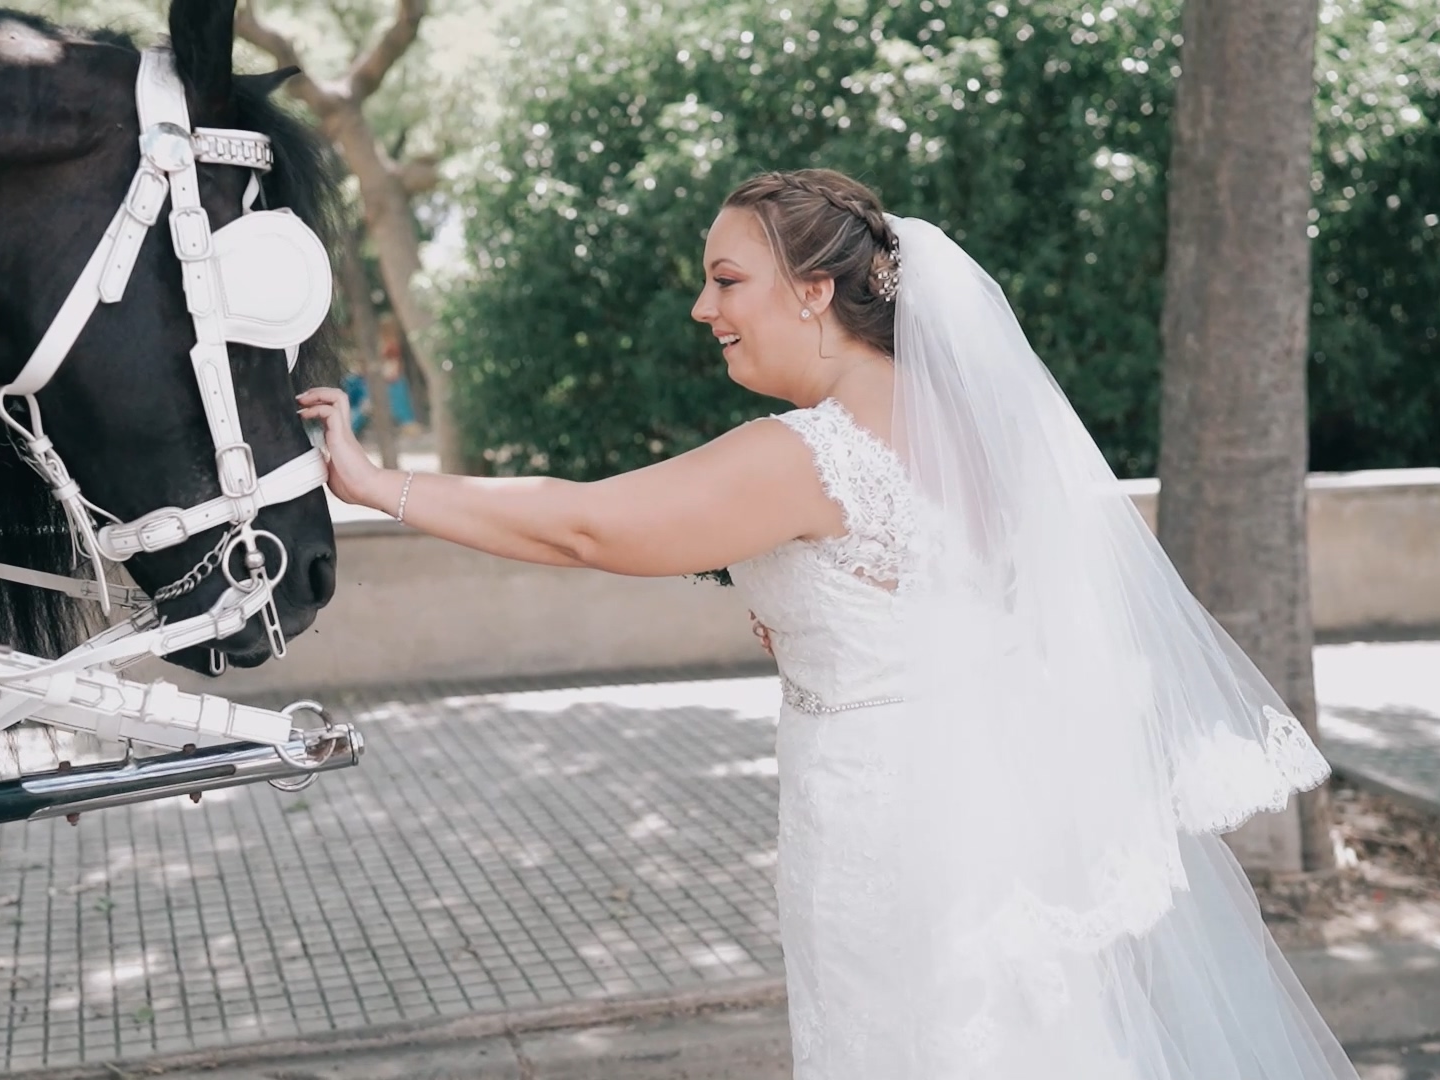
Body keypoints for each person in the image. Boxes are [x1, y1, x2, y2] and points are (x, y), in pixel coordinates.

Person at [297, 169, 1357, 1079]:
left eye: (726, 281)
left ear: (814, 292)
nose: (705, 311)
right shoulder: (983, 433)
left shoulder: (811, 453)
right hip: (1003, 810)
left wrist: (378, 484)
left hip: (893, 833)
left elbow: (585, 525)